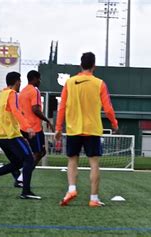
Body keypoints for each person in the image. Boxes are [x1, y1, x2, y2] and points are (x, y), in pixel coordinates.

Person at [56, 52, 118, 207]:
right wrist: (114, 123)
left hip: (73, 128)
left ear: (80, 65)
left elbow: (61, 107)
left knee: (72, 160)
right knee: (94, 163)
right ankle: (94, 198)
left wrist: (58, 128)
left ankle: (71, 189)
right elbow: (108, 108)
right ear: (94, 66)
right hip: (92, 129)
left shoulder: (69, 83)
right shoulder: (99, 83)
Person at [0, 71, 41, 199]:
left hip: (0, 136)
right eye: (20, 81)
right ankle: (26, 192)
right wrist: (28, 127)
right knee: (29, 159)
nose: (20, 83)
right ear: (16, 81)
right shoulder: (12, 94)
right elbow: (16, 111)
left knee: (17, 163)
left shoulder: (0, 95)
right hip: (11, 135)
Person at [12, 70, 54, 187]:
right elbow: (35, 109)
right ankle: (21, 178)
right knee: (38, 153)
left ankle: (20, 174)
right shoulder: (34, 91)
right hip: (34, 128)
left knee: (37, 153)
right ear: (35, 79)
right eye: (39, 79)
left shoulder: (22, 92)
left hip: (24, 126)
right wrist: (47, 120)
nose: (40, 81)